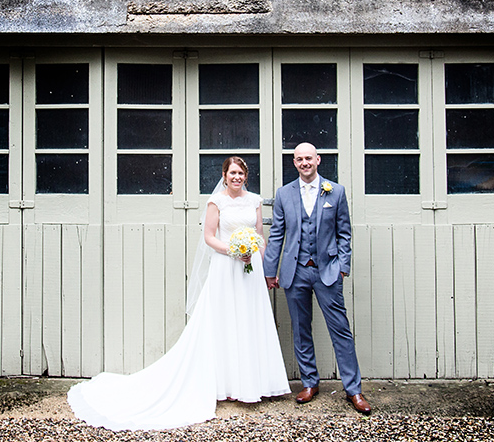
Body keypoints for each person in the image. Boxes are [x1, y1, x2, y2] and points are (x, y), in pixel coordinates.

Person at [68, 156, 290, 431]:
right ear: (224, 175)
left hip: (251, 268)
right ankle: (223, 384)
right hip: (226, 266)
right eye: (232, 173)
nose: (236, 177)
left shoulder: (254, 200)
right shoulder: (216, 202)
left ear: (246, 175)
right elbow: (209, 236)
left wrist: (265, 267)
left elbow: (259, 234)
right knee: (223, 323)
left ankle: (251, 384)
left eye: (240, 173)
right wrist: (233, 250)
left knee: (249, 321)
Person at [264, 142, 371, 415]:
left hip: (327, 271)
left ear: (318, 160)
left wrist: (343, 265)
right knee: (301, 329)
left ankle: (354, 390)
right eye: (299, 159)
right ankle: (310, 382)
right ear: (294, 163)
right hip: (295, 271)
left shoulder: (335, 191)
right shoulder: (284, 194)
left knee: (340, 330)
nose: (304, 163)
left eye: (308, 158)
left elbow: (344, 232)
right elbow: (277, 234)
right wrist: (269, 271)